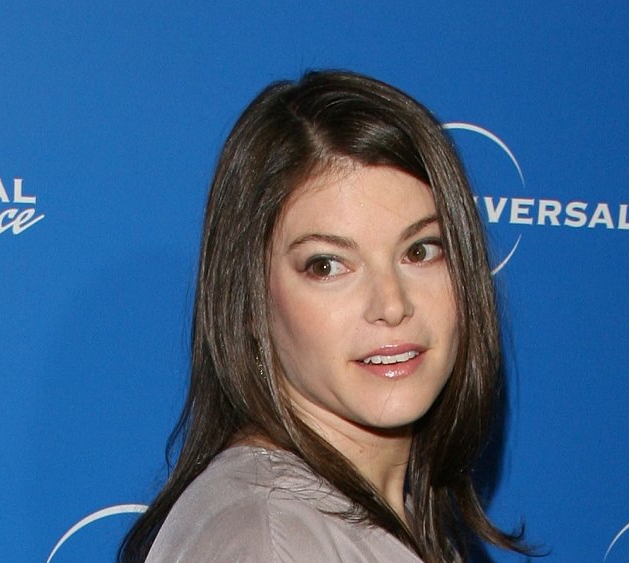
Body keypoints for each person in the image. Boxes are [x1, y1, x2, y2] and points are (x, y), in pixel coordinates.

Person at [121, 70, 531, 563]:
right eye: (327, 266)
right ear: (249, 302)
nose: (392, 305)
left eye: (420, 251)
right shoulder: (271, 540)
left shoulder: (350, 519)